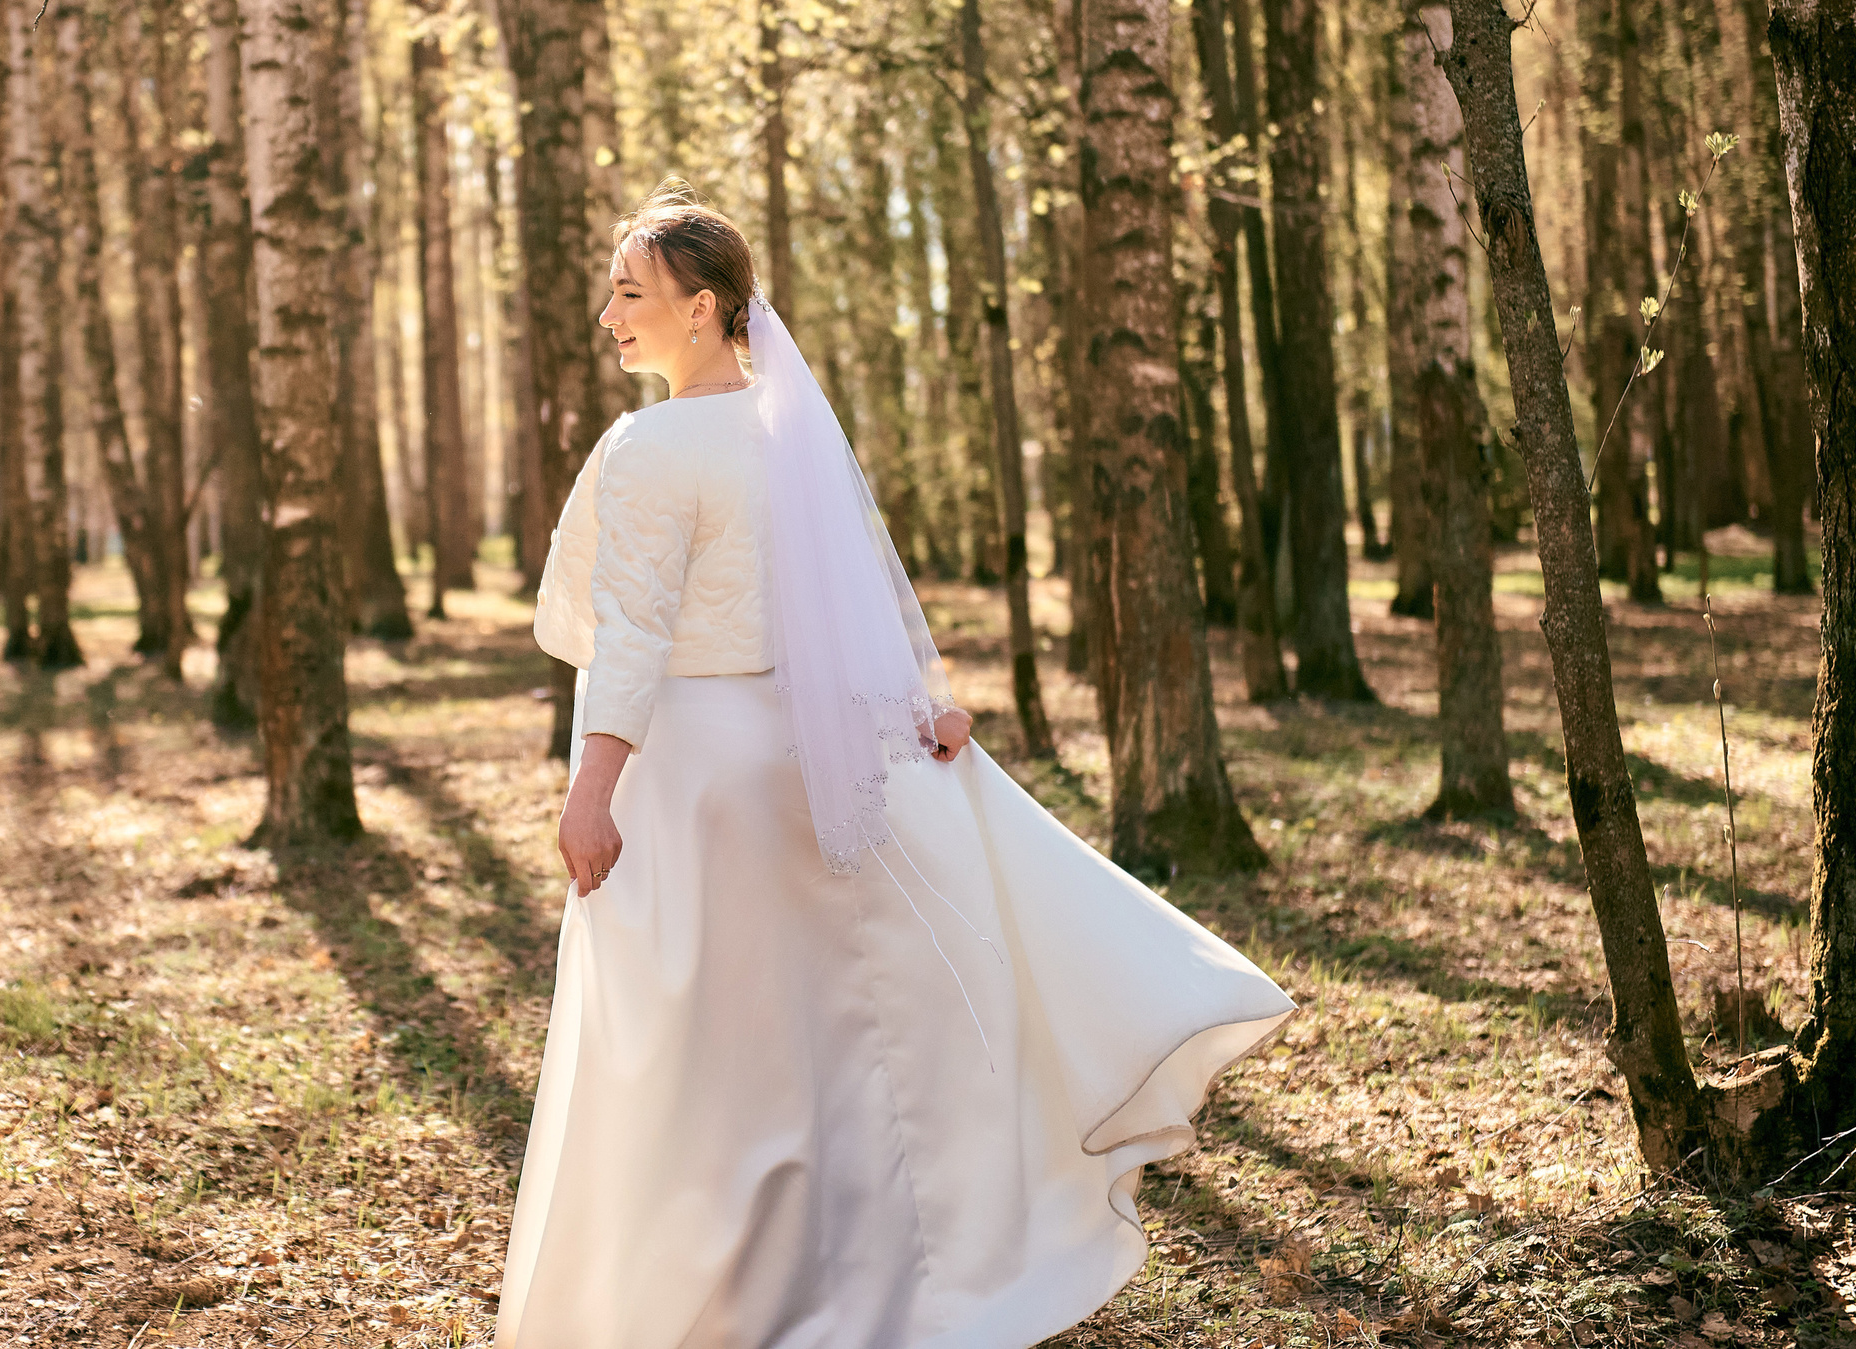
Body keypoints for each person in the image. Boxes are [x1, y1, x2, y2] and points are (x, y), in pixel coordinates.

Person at [499, 182, 1294, 1349]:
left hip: (691, 780)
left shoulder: (650, 447)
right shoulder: (785, 431)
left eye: (630, 291)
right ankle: (850, 1274)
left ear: (702, 307)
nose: (608, 313)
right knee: (820, 1038)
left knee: (700, 1053)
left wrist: (589, 788)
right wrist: (914, 702)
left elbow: (631, 630)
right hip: (796, 759)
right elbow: (842, 598)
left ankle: (712, 1296)